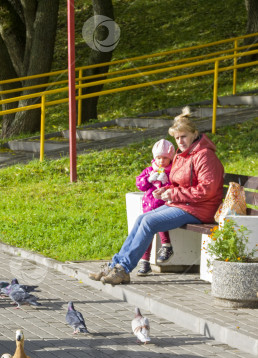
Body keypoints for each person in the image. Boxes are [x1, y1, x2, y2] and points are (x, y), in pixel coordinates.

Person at [90, 107, 224, 285]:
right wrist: (165, 190)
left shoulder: (205, 156)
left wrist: (173, 193)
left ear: (194, 133)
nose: (180, 141)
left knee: (149, 222)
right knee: (142, 218)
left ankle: (123, 270)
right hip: (184, 204)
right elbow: (179, 183)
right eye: (176, 138)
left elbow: (207, 190)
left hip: (201, 208)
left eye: (183, 136)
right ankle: (114, 264)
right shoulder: (181, 155)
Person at [134, 139, 176, 275]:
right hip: (149, 206)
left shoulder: (173, 172)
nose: (161, 161)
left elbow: (176, 186)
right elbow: (140, 185)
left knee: (160, 224)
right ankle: (145, 262)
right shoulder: (149, 171)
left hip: (163, 206)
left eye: (165, 158)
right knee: (147, 235)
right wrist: (148, 179)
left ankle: (166, 245)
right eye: (158, 158)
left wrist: (167, 181)